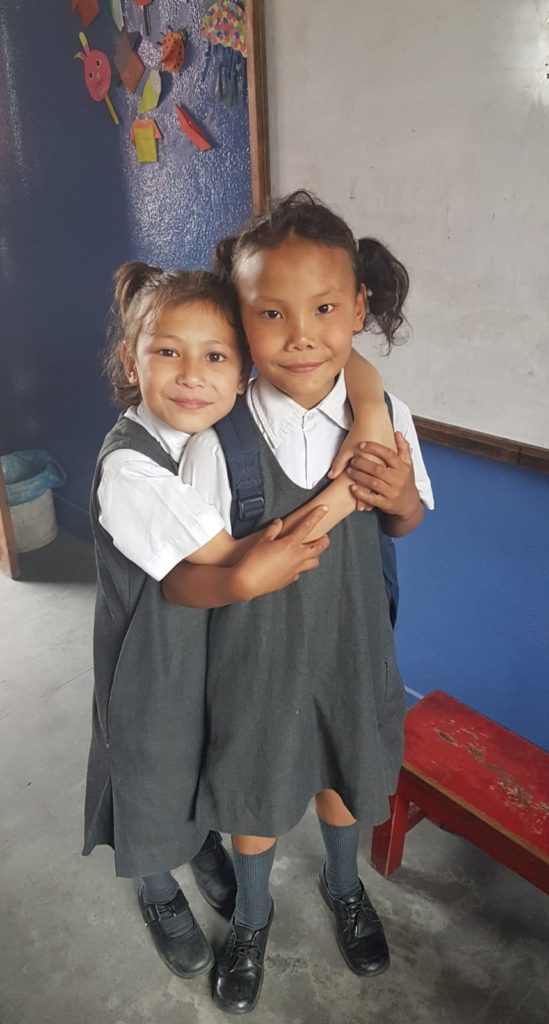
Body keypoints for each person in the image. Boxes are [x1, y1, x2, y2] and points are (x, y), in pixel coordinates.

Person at [84, 259, 396, 982]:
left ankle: (201, 846)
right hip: (151, 654)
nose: (193, 376)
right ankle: (158, 889)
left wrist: (371, 404)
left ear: (243, 367)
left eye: (216, 357)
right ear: (130, 361)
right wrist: (348, 491)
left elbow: (354, 363)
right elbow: (233, 562)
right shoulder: (131, 467)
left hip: (204, 640)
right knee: (149, 771)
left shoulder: (206, 435)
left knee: (200, 754)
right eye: (168, 352)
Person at [165, 191, 434, 1014]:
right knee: (254, 794)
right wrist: (248, 573)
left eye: (323, 308)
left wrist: (397, 496)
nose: (302, 335)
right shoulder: (219, 436)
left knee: (344, 779)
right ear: (239, 319)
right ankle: (252, 915)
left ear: (357, 307)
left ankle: (345, 886)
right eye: (271, 313)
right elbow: (183, 574)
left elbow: (407, 520)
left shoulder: (386, 416)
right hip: (256, 660)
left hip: (351, 646)